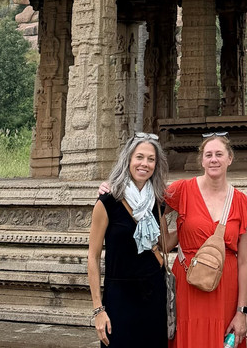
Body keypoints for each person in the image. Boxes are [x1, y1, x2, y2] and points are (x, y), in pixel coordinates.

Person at [167, 132, 247, 348]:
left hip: (226, 289)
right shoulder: (181, 190)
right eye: (208, 155)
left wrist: (241, 311)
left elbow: (244, 261)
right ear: (202, 160)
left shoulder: (242, 201)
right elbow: (146, 203)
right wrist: (114, 189)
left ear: (229, 159)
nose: (214, 159)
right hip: (189, 284)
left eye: (219, 154)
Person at [87, 132, 169, 347]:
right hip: (120, 296)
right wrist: (98, 310)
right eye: (139, 157)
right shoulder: (108, 201)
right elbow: (93, 257)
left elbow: (164, 244)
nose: (145, 164)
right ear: (128, 160)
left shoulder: (158, 201)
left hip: (153, 293)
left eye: (151, 159)